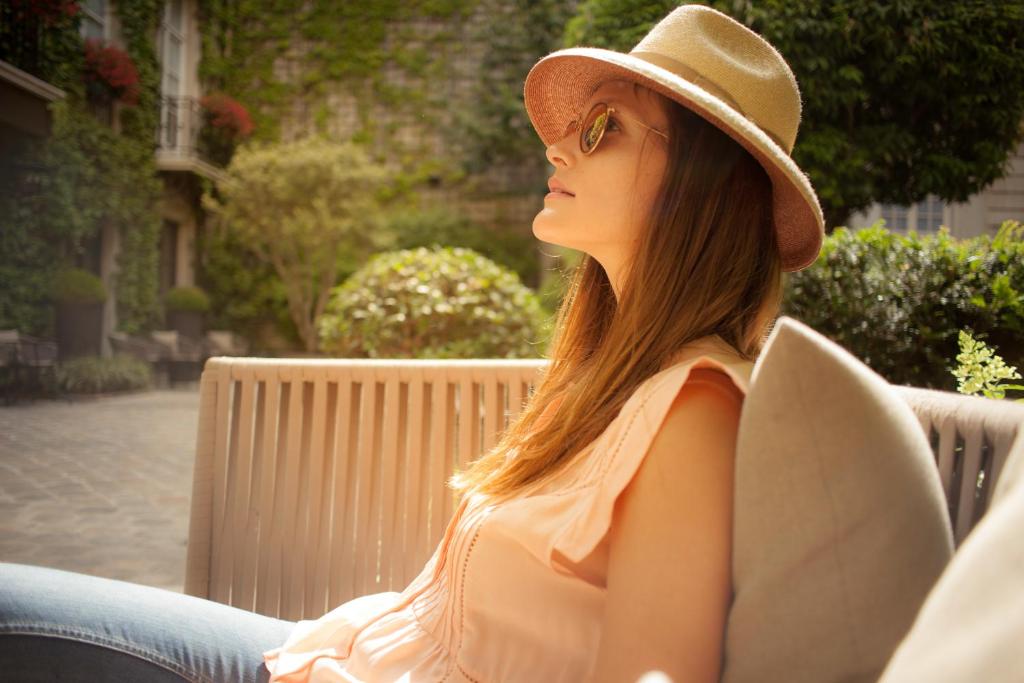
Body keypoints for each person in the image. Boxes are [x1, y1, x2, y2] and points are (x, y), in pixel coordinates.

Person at [0, 4, 824, 682]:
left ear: (698, 182)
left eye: (602, 125)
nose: (557, 142)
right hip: (341, 649)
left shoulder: (694, 415)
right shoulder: (613, 377)